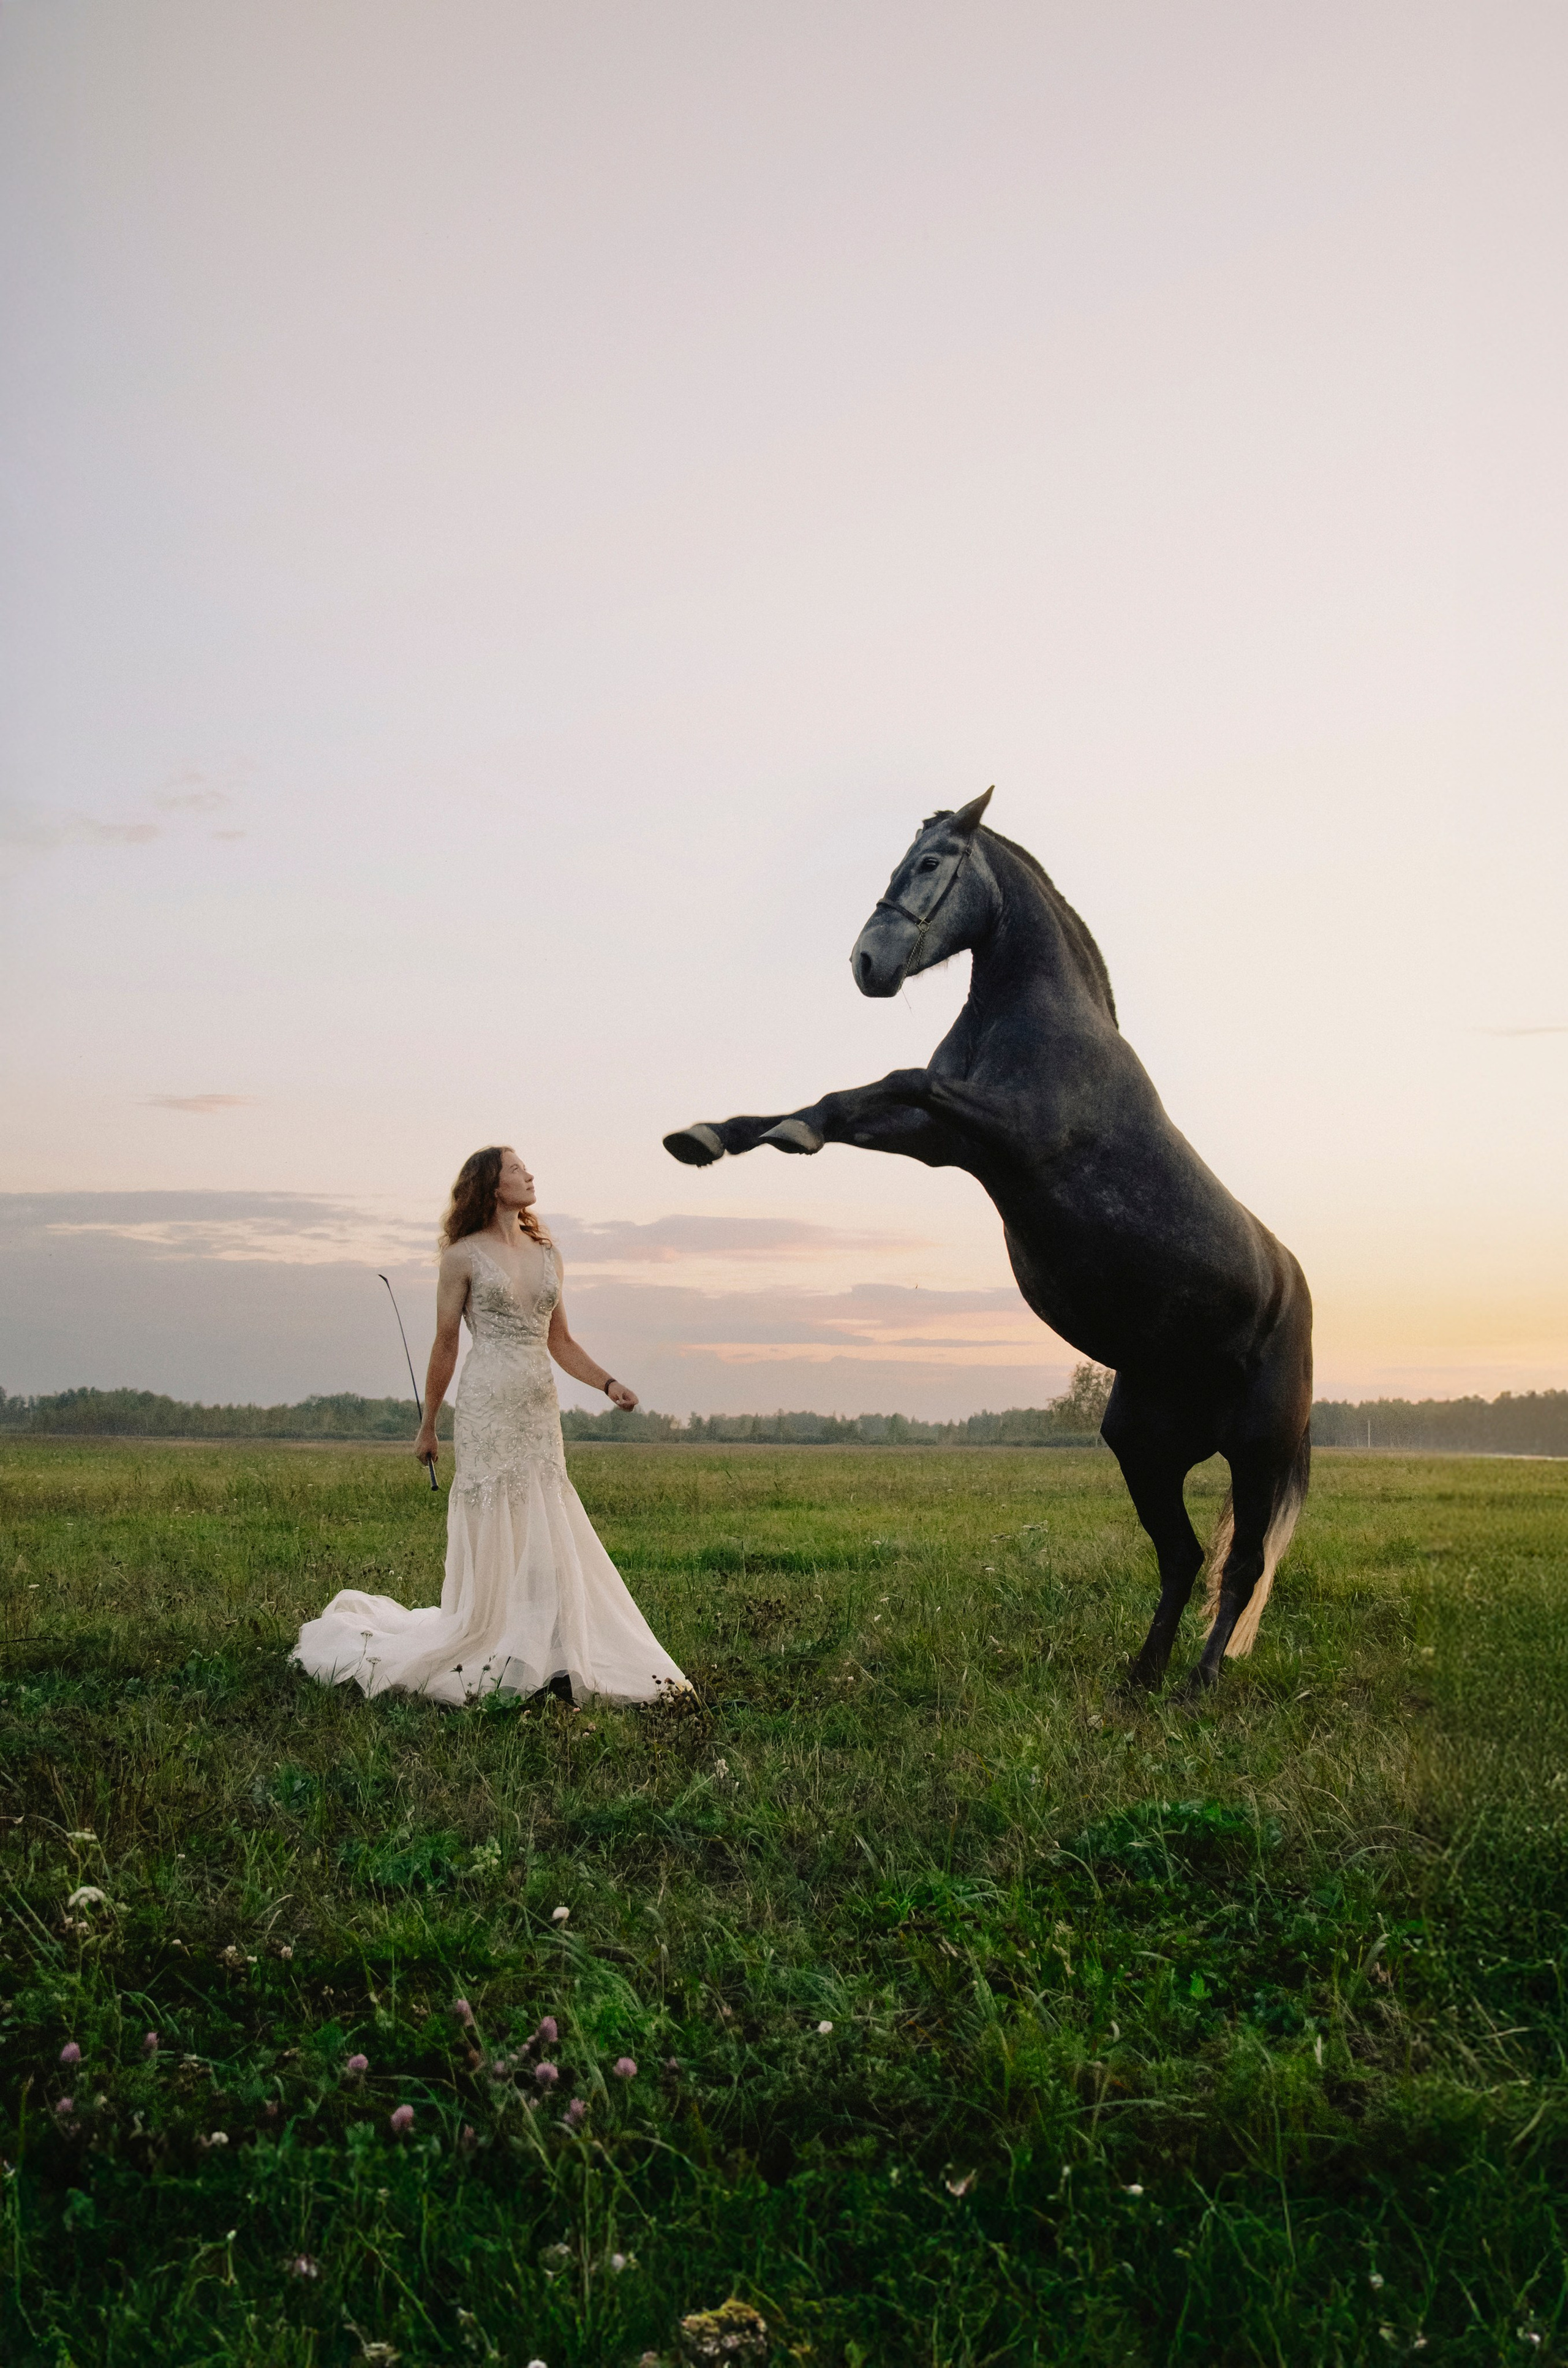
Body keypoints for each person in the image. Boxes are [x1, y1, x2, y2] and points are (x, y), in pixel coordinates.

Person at [292, 1144, 688, 1706]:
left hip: (537, 1406)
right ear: (491, 1184)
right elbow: (447, 1341)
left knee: (543, 1517)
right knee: (498, 1516)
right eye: (517, 1169)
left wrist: (607, 1383)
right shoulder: (461, 1257)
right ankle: (496, 1637)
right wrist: (428, 1423)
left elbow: (560, 1340)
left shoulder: (548, 1253)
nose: (530, 1175)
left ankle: (551, 1649)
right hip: (486, 1404)